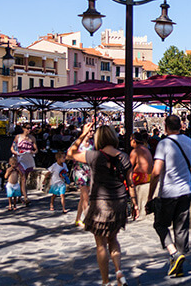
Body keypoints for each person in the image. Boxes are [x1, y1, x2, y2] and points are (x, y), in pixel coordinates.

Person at [67, 122, 137, 286]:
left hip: (100, 203)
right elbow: (130, 182)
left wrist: (83, 134)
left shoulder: (93, 156)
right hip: (119, 201)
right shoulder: (124, 156)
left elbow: (70, 154)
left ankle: (106, 281)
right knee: (113, 239)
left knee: (100, 245)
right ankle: (119, 272)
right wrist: (135, 204)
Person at [148, 115, 191, 278]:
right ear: (181, 126)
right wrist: (190, 181)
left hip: (168, 192)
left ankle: (174, 254)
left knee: (160, 224)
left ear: (165, 127)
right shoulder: (190, 142)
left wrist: (150, 196)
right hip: (185, 191)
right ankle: (179, 264)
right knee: (181, 227)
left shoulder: (163, 144)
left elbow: (156, 172)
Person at [11, 123, 38, 206]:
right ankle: (25, 197)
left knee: (24, 178)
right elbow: (12, 147)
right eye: (27, 128)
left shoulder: (32, 138)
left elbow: (36, 149)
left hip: (28, 160)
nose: (28, 130)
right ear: (23, 128)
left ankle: (19, 196)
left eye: (30, 128)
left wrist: (32, 152)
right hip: (20, 160)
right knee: (23, 178)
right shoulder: (18, 137)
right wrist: (16, 152)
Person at [71, 133, 93, 228]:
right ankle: (88, 219)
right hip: (80, 170)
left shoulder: (93, 144)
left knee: (83, 197)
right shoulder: (78, 144)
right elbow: (71, 154)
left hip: (89, 170)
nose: (91, 132)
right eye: (89, 131)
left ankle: (78, 219)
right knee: (85, 195)